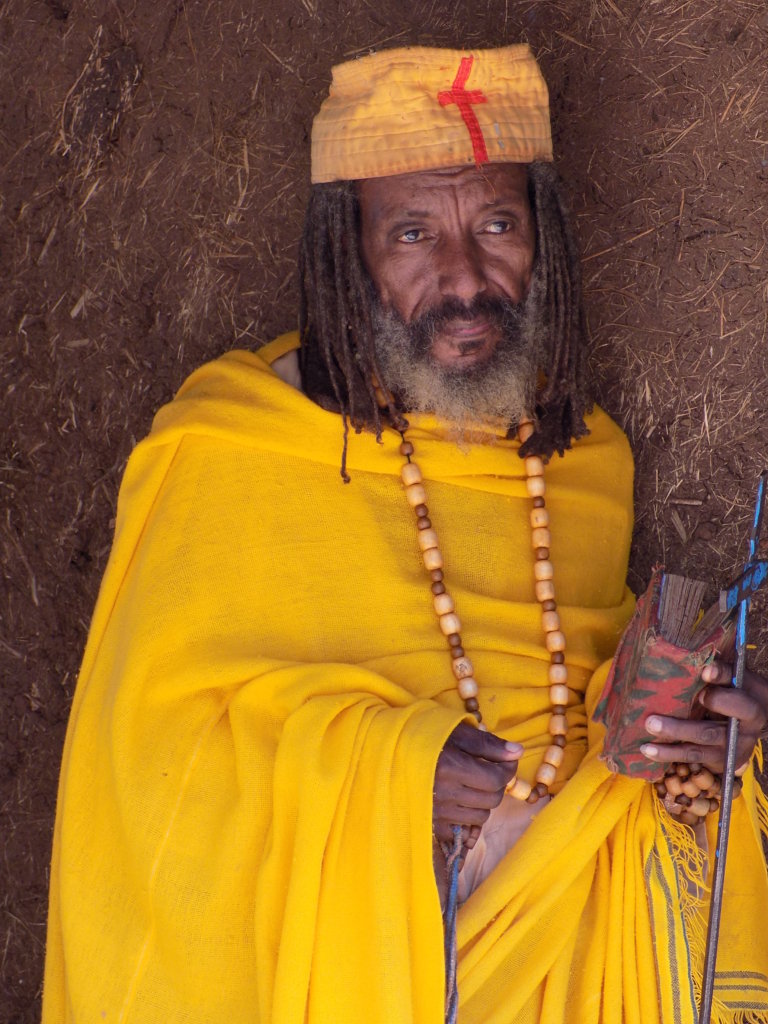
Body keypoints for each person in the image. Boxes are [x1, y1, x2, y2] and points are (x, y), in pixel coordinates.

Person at [43, 45, 768, 1024]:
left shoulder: (586, 464)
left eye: (498, 225)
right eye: (415, 232)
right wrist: (384, 780)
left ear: (542, 238)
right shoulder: (231, 449)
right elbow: (146, 773)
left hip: (564, 967)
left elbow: (578, 752)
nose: (464, 277)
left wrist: (699, 743)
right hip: (319, 972)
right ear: (350, 253)